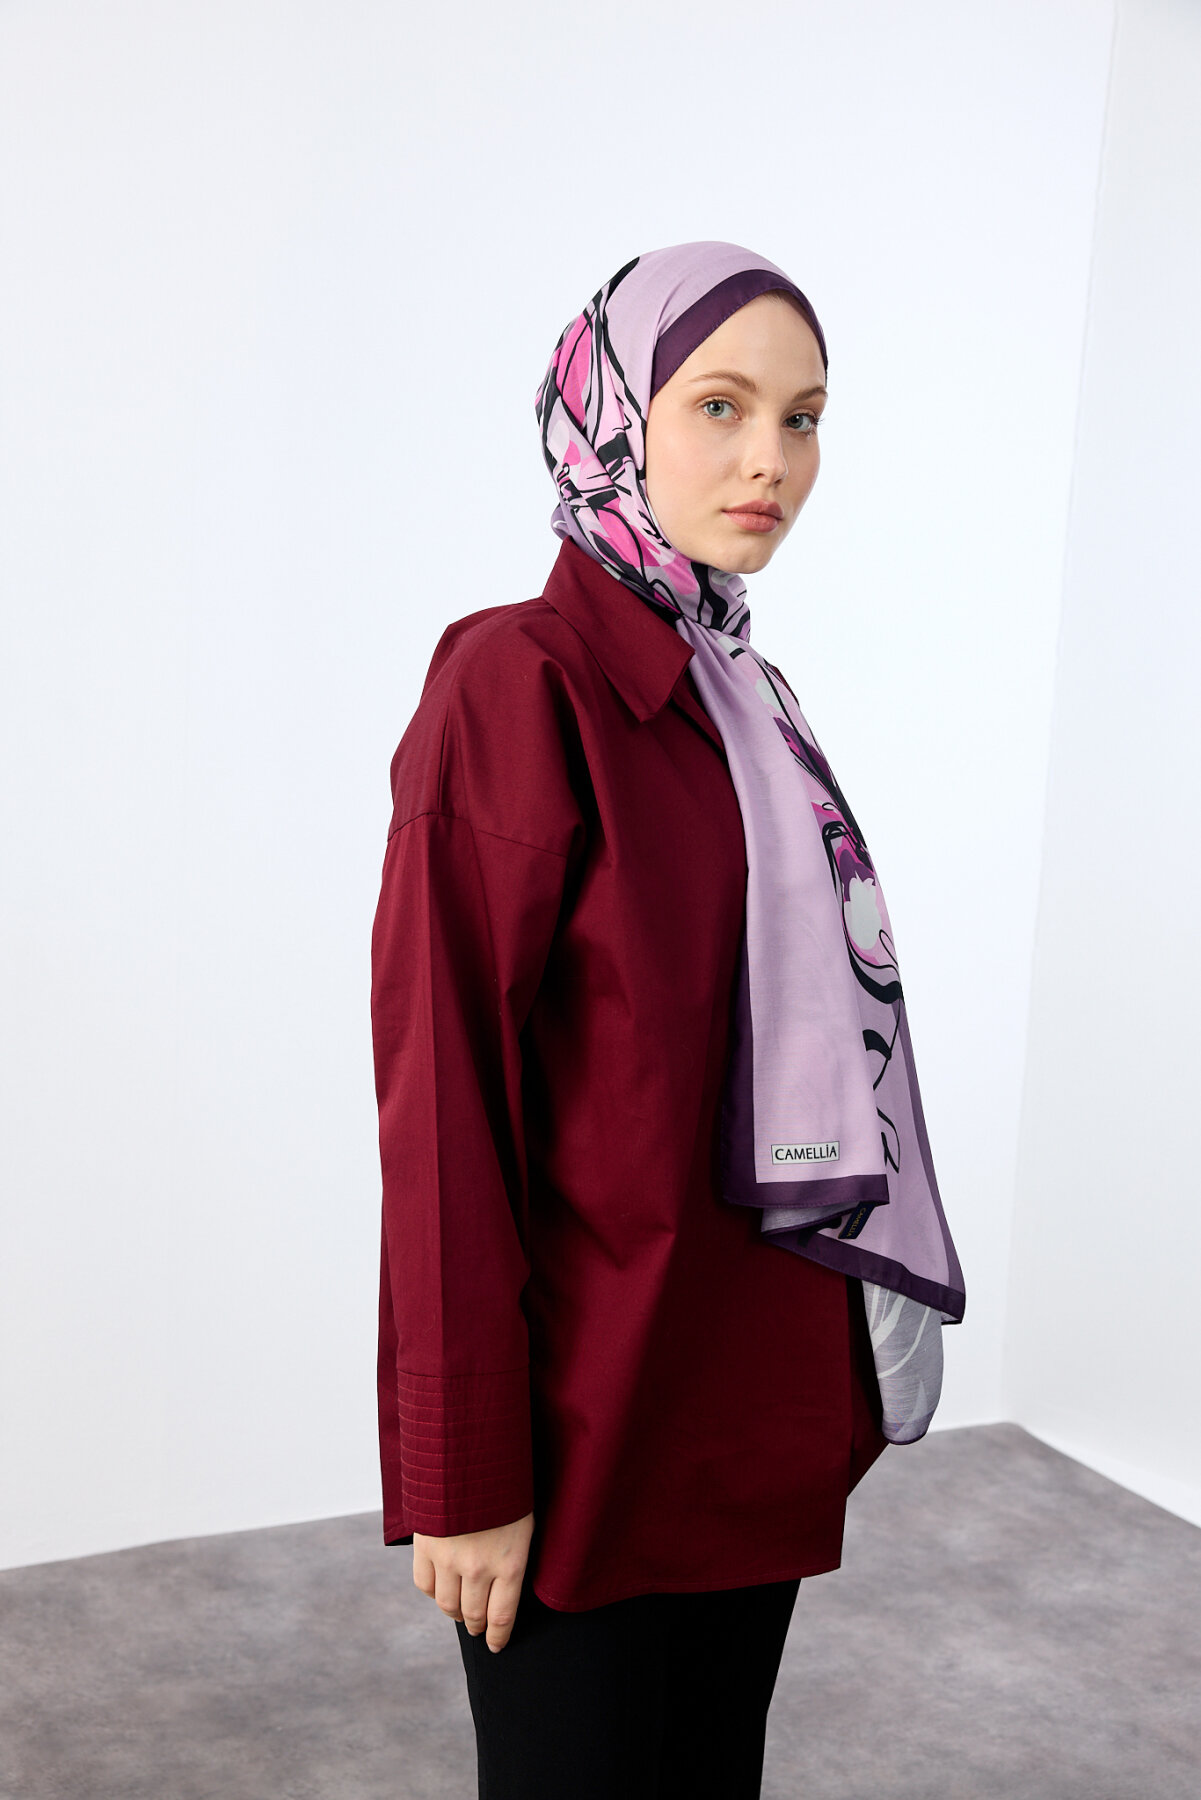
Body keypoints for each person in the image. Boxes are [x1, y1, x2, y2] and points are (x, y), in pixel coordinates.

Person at [370, 241, 966, 1799]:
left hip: (749, 1396)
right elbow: (447, 1108)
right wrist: (462, 1469)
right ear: (610, 412)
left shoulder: (746, 701)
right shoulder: (519, 682)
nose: (771, 458)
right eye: (719, 404)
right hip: (585, 1418)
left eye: (803, 417)